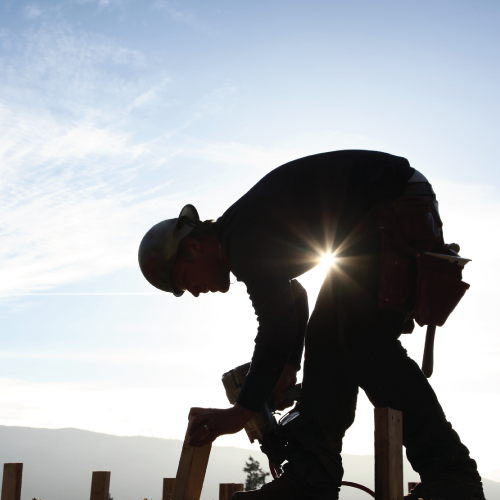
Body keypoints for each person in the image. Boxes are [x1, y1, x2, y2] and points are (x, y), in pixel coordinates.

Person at [138, 150, 485, 500]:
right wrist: (289, 365)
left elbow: (276, 322)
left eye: (186, 280)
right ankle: (310, 478)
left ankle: (451, 476)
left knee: (362, 337)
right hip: (369, 223)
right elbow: (296, 296)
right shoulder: (241, 233)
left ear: (195, 247)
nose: (195, 292)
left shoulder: (241, 237)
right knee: (327, 340)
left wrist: (240, 412)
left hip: (393, 205)